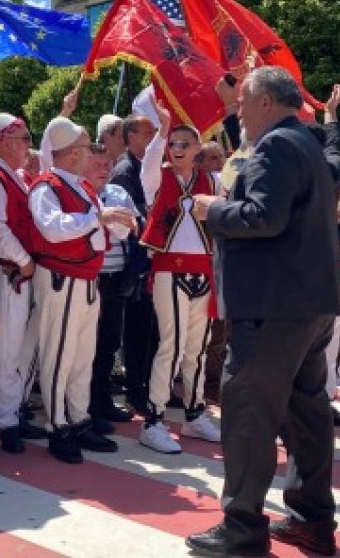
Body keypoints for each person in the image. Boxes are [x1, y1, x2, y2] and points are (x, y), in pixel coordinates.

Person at [188, 67, 340, 556]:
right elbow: (316, 181)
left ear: (266, 103)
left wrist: (211, 209)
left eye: (242, 103)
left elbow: (262, 216)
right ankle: (311, 519)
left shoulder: (276, 146)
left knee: (249, 415)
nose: (236, 109)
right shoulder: (307, 143)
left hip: (272, 308)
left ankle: (241, 527)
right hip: (308, 304)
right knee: (306, 416)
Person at [28, 117, 135, 464]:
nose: (91, 153)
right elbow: (52, 229)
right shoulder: (46, 186)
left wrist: (120, 224)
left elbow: (99, 226)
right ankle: (58, 424)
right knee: (59, 354)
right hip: (61, 278)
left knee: (81, 355)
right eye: (87, 147)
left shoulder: (81, 187)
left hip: (86, 279)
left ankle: (78, 416)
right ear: (72, 153)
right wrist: (100, 220)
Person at [138, 98, 222, 454]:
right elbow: (147, 165)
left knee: (197, 350)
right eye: (173, 144)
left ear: (198, 149)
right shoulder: (158, 177)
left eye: (184, 144)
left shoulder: (212, 182)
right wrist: (162, 128)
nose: (176, 149)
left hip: (203, 272)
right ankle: (153, 421)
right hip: (168, 271)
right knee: (169, 347)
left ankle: (194, 412)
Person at [0, 113, 47, 453]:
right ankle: (5, 420)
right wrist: (26, 261)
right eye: (23, 138)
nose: (27, 145)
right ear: (3, 141)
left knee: (22, 348)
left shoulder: (9, 174)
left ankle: (13, 411)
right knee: (7, 350)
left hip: (20, 270)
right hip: (9, 271)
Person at [83, 142, 141, 435]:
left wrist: (131, 272)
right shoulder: (79, 192)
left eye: (107, 164)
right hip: (88, 279)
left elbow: (133, 227)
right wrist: (105, 219)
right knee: (86, 349)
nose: (104, 169)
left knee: (107, 345)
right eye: (97, 163)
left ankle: (103, 401)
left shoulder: (119, 193)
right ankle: (87, 408)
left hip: (115, 278)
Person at [110, 114, 159, 412]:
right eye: (147, 132)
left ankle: (150, 387)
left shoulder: (149, 167)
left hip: (151, 263)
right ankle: (135, 390)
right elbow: (131, 219)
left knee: (154, 331)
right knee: (137, 332)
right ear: (131, 137)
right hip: (134, 265)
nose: (153, 136)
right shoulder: (124, 171)